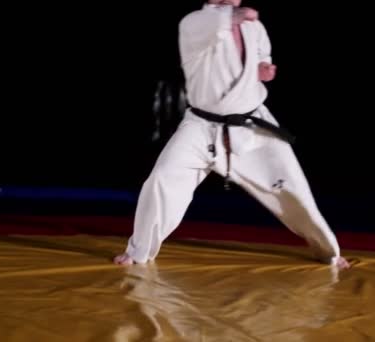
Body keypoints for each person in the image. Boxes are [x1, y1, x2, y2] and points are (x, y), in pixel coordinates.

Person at [114, 0, 350, 269]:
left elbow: (262, 54)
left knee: (294, 189)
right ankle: (139, 251)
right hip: (201, 128)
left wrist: (263, 67)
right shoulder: (194, 22)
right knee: (162, 180)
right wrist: (234, 15)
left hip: (252, 125)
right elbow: (215, 23)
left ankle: (329, 252)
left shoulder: (254, 26)